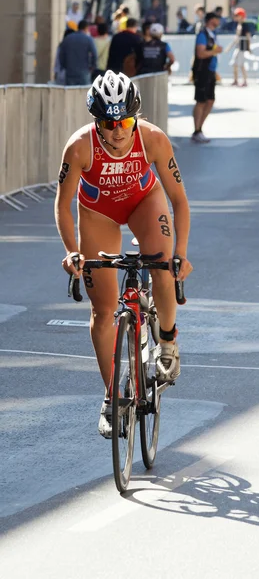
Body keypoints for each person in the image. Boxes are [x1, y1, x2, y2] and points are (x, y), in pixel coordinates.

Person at [55, 71, 193, 438]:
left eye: (125, 121)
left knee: (163, 269)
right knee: (102, 310)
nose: (117, 131)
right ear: (96, 122)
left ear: (136, 117)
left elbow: (178, 199)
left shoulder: (153, 140)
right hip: (98, 213)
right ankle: (112, 396)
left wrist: (180, 253)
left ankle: (166, 341)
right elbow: (62, 204)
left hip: (143, 203)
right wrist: (72, 251)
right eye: (108, 122)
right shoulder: (79, 147)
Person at [191, 11, 223, 143]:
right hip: (202, 71)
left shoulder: (212, 34)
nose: (219, 22)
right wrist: (214, 51)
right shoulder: (203, 35)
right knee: (201, 100)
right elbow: (200, 53)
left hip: (210, 70)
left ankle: (200, 128)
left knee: (210, 100)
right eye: (217, 19)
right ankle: (197, 130)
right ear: (211, 21)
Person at [59, 20, 97, 86]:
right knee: (84, 94)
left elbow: (61, 54)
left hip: (70, 72)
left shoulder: (68, 38)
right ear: (86, 28)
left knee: (71, 94)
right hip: (84, 72)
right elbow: (94, 54)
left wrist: (64, 66)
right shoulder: (88, 39)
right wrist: (92, 67)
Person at [226, 7, 251, 87]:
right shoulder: (239, 25)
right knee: (235, 64)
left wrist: (249, 47)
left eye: (237, 15)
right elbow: (237, 38)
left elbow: (248, 37)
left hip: (242, 48)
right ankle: (236, 80)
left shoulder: (245, 25)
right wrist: (229, 47)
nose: (235, 17)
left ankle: (245, 81)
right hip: (238, 47)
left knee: (241, 64)